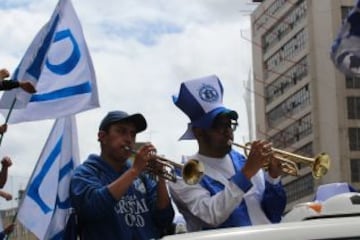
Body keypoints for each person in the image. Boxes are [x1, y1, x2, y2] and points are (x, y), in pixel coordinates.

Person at [169, 75, 287, 232]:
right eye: (219, 125)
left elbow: (274, 214)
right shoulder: (183, 172)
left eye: (229, 124)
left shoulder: (245, 160)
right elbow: (210, 215)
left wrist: (273, 178)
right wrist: (245, 174)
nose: (227, 132)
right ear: (199, 132)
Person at [70, 110, 175, 240]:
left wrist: (161, 179)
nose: (129, 139)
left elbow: (164, 220)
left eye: (132, 134)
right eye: (121, 131)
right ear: (102, 137)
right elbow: (92, 208)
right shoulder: (84, 173)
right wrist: (134, 171)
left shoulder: (142, 175)